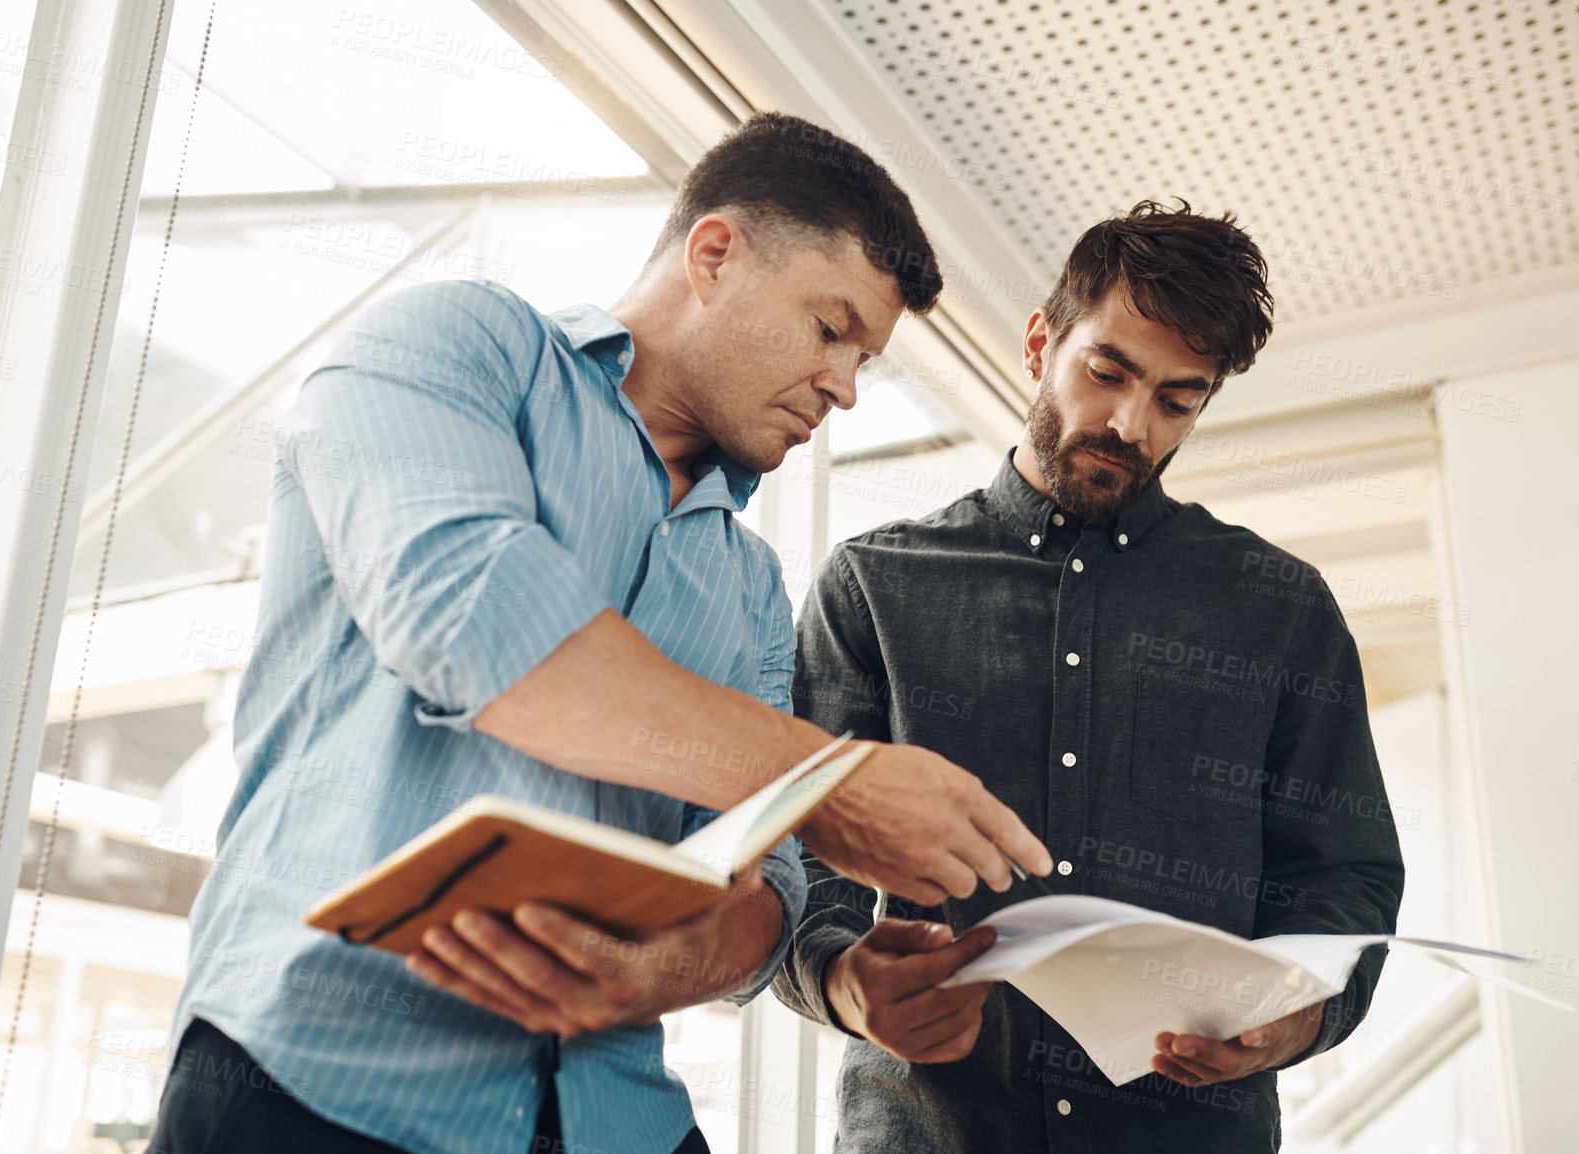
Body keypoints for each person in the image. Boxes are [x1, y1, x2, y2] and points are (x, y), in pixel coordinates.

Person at [149, 112, 1051, 1154]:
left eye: (863, 357)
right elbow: (478, 622)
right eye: (828, 327)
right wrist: (834, 778)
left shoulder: (751, 581)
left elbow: (770, 899)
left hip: (616, 1114)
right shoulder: (453, 344)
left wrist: (660, 967)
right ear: (713, 256)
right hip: (320, 1081)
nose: (844, 386)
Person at [773, 201, 1406, 1152]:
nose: (1128, 423)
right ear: (1040, 342)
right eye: (1106, 371)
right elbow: (794, 858)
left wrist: (1300, 1015)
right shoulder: (874, 586)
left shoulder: (1282, 608)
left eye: (1178, 400)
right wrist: (841, 982)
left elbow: (1343, 874)